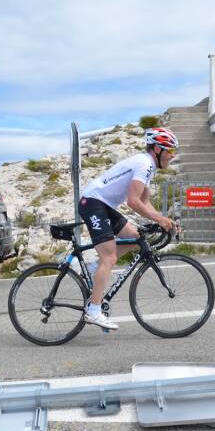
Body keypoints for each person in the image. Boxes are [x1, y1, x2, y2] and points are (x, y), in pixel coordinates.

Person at [78, 127, 178, 330]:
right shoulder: (145, 164)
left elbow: (143, 201)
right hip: (93, 202)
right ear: (157, 149)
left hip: (102, 204)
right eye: (170, 151)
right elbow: (133, 202)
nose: (172, 156)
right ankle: (94, 311)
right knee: (110, 258)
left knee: (133, 236)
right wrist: (159, 219)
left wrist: (162, 219)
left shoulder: (147, 165)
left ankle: (92, 268)